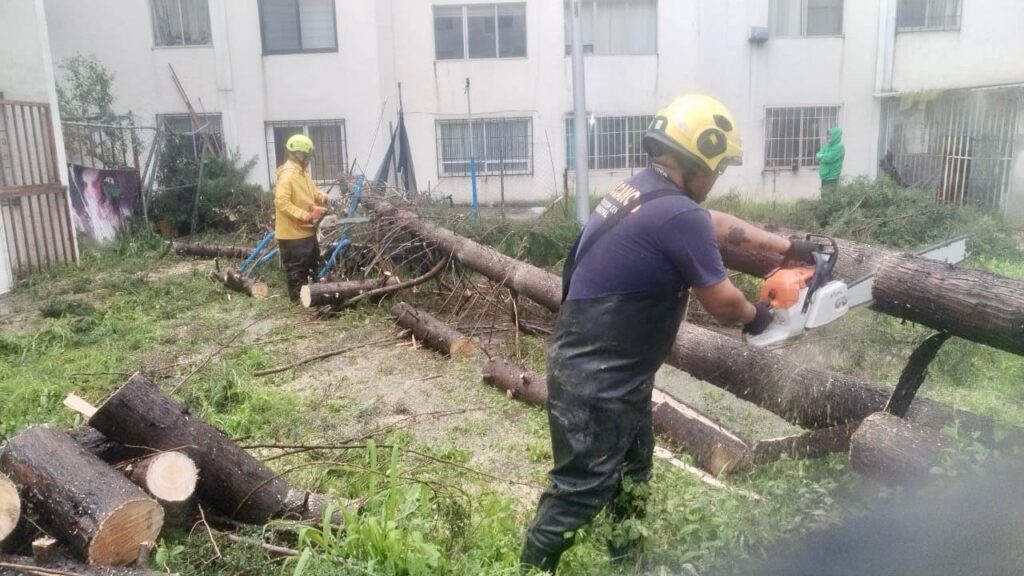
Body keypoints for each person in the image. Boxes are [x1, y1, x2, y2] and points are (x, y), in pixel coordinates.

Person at [518, 94, 822, 574]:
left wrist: (787, 247)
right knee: (580, 490)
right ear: (699, 160)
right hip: (598, 377)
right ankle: (530, 569)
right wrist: (759, 316)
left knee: (633, 472)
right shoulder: (676, 214)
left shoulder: (640, 191)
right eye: (718, 169)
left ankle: (628, 563)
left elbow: (714, 224)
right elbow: (722, 302)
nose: (716, 179)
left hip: (605, 367)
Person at [274, 134, 329, 302]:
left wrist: (322, 196)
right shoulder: (288, 175)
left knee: (312, 265)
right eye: (307, 155)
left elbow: (312, 191)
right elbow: (281, 202)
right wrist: (305, 216)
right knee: (296, 271)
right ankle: (298, 303)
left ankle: (312, 299)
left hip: (306, 231)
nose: (309, 159)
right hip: (292, 234)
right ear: (298, 154)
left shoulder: (302, 173)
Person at [816, 127, 845, 195]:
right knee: (823, 196)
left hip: (832, 176)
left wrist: (822, 156)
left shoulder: (839, 147)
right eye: (827, 135)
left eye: (830, 135)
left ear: (835, 136)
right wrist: (822, 156)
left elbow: (828, 158)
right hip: (824, 176)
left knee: (829, 197)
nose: (827, 137)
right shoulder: (826, 146)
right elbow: (817, 156)